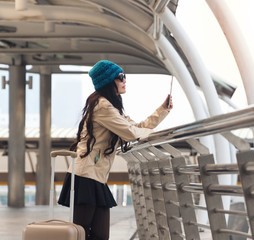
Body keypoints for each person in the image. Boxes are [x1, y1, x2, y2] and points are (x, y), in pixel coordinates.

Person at [58, 60, 173, 240]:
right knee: (81, 233)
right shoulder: (103, 106)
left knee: (99, 235)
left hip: (95, 176)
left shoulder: (110, 107)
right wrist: (149, 134)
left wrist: (162, 110)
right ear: (108, 81)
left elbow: (136, 127)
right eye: (120, 77)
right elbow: (130, 133)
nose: (124, 80)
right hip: (86, 176)